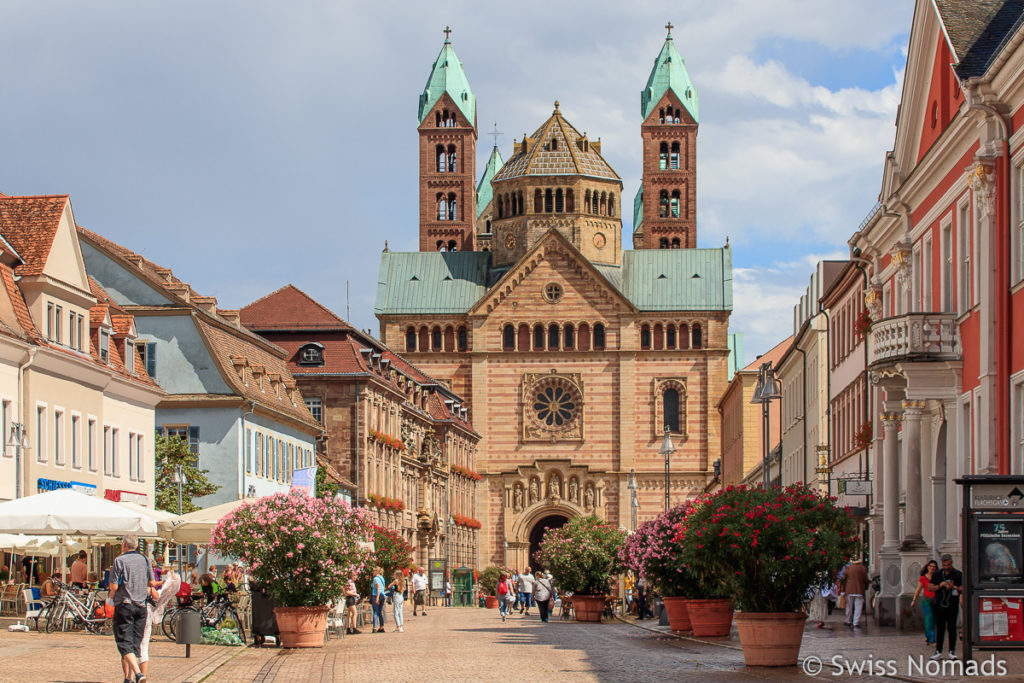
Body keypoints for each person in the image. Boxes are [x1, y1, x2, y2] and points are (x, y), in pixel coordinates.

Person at [109, 533, 157, 683]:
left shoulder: (119, 560)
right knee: (135, 643)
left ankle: (137, 674)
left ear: (124, 545)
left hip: (125, 604)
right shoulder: (145, 559)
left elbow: (114, 586)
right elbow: (152, 582)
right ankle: (129, 678)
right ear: (136, 545)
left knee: (124, 641)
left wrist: (111, 596)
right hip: (141, 606)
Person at [139, 565, 180, 678]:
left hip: (132, 615)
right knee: (144, 646)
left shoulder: (132, 586)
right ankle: (142, 676)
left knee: (130, 648)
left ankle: (129, 676)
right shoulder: (149, 587)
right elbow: (156, 594)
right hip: (145, 615)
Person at [929, 554, 963, 660]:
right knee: (940, 628)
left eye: (948, 565)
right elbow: (930, 587)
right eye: (944, 565)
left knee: (952, 628)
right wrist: (940, 585)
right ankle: (938, 651)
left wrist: (955, 587)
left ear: (951, 563)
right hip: (939, 605)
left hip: (952, 605)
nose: (946, 567)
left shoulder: (958, 574)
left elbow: (963, 587)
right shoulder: (937, 574)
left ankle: (951, 651)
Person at [911, 560, 938, 647]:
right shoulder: (923, 578)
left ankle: (928, 636)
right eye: (931, 566)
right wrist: (914, 600)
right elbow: (918, 589)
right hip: (926, 600)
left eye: (934, 567)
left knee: (933, 620)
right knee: (928, 619)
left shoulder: (937, 577)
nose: (932, 568)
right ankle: (932, 639)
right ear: (927, 567)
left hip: (935, 600)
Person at [249, 578, 279, 647]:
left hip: (258, 600)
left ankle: (259, 634)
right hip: (266, 600)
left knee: (259, 617)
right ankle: (275, 633)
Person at [841, 558, 868, 628]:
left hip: (849, 590)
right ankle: (856, 622)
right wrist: (866, 585)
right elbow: (866, 579)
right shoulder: (862, 568)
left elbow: (843, 580)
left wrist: (843, 590)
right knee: (858, 607)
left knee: (849, 606)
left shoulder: (847, 568)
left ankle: (848, 620)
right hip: (859, 590)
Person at [371, 566, 387, 633]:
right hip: (382, 595)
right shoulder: (382, 578)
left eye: (374, 571)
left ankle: (374, 627)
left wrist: (377, 598)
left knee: (375, 612)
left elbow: (378, 588)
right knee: (380, 612)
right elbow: (383, 587)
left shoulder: (375, 579)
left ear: (376, 571)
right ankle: (381, 627)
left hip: (376, 595)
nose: (372, 572)